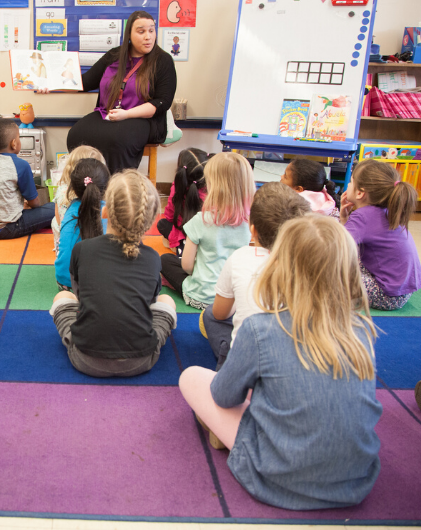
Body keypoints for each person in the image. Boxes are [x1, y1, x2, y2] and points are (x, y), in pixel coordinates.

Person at [179, 215, 382, 511]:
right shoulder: (361, 331)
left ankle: (226, 434)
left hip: (275, 477)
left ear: (280, 266)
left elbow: (223, 396)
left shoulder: (261, 329)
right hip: (355, 480)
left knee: (191, 377)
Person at [50, 170, 176, 378]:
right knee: (166, 300)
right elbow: (151, 301)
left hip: (84, 359)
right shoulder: (154, 258)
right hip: (142, 361)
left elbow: (82, 299)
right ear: (151, 218)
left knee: (62, 297)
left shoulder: (83, 250)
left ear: (106, 211)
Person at [201, 182, 311, 369]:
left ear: (252, 230)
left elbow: (220, 313)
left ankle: (227, 359)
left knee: (210, 315)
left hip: (246, 365)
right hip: (303, 363)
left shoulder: (241, 257)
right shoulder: (314, 261)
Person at [62, 10, 177, 173]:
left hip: (143, 118)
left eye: (151, 30)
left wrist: (127, 114)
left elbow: (162, 102)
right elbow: (85, 82)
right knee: (77, 134)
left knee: (119, 140)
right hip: (108, 113)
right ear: (129, 33)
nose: (148, 37)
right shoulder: (115, 55)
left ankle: (119, 188)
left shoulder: (163, 60)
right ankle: (88, 186)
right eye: (141, 31)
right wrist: (51, 85)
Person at [160, 152, 255, 310]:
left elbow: (187, 266)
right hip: (233, 300)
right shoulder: (249, 222)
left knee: (165, 260)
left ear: (212, 185)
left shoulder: (202, 219)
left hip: (201, 296)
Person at [340, 159, 421, 310]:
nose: (348, 185)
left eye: (351, 181)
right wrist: (345, 218)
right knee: (354, 255)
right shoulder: (389, 210)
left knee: (332, 268)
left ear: (360, 193)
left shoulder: (363, 216)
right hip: (403, 291)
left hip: (386, 295)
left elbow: (336, 245)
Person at [0, 118, 55, 239]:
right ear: (14, 143)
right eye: (19, 138)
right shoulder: (20, 165)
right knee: (55, 208)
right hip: (8, 228)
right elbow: (35, 203)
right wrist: (26, 205)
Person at [55, 159, 110, 290]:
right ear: (107, 186)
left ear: (72, 187)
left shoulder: (69, 212)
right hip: (106, 284)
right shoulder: (111, 211)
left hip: (68, 283)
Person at [51, 146, 106, 251]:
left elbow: (58, 220)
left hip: (67, 246)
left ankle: (58, 248)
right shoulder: (103, 198)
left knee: (54, 221)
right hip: (98, 248)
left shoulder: (62, 191)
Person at [157, 148, 208, 255]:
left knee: (162, 224)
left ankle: (180, 245)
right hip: (206, 235)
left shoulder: (177, 187)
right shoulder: (210, 190)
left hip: (184, 233)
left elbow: (170, 216)